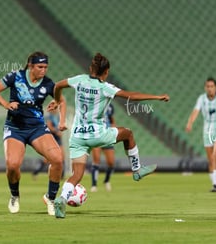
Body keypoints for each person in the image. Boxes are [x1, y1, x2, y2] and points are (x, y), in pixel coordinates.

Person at [52, 52, 170, 218]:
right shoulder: (105, 87)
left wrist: (57, 101)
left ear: (90, 68)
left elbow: (57, 86)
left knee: (77, 174)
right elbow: (131, 96)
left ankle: (62, 199)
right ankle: (136, 170)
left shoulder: (79, 80)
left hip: (78, 136)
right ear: (105, 72)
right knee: (128, 134)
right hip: (98, 134)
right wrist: (157, 97)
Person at [0, 51, 65, 215]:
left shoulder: (48, 83)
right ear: (30, 66)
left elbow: (61, 99)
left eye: (45, 67)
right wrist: (6, 104)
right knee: (13, 165)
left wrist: (56, 102)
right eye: (40, 67)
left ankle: (50, 198)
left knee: (58, 159)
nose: (43, 70)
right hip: (15, 128)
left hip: (37, 128)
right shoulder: (15, 76)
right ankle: (15, 195)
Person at [32, 103, 66, 180]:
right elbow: (49, 127)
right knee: (48, 159)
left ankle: (62, 175)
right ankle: (36, 171)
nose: (56, 109)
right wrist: (57, 132)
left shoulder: (58, 116)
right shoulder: (49, 116)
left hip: (58, 138)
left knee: (62, 155)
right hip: (52, 137)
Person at [91, 103, 116, 192]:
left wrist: (113, 130)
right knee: (96, 160)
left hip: (107, 136)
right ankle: (94, 185)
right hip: (96, 135)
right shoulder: (95, 104)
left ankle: (106, 181)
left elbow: (112, 120)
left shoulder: (110, 106)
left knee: (111, 162)